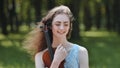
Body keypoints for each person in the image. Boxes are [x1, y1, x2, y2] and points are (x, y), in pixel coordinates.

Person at [23, 5, 89, 68]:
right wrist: (56, 62)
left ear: (69, 26)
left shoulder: (81, 52)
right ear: (50, 26)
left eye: (66, 24)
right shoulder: (40, 56)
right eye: (57, 24)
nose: (62, 28)